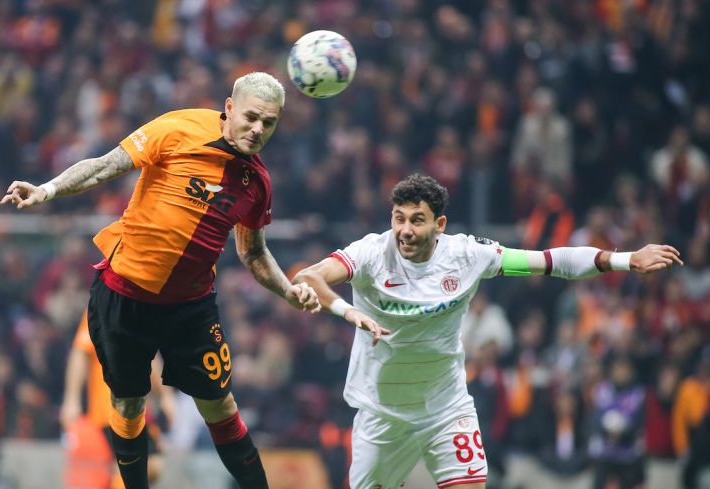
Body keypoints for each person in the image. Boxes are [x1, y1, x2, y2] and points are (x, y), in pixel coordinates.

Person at [1, 71, 321, 489]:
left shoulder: (256, 183)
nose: (258, 129)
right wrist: (46, 190)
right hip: (123, 295)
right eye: (251, 117)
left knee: (220, 404)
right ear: (229, 108)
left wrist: (288, 290)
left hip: (190, 308)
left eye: (270, 123)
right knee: (129, 403)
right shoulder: (177, 128)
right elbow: (103, 167)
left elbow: (253, 251)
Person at [293, 174, 683, 489]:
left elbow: (553, 260)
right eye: (398, 218)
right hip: (382, 413)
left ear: (439, 224)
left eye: (417, 219)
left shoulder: (468, 255)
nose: (405, 230)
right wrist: (348, 312)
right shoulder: (370, 255)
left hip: (446, 408)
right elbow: (311, 275)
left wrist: (627, 258)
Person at [60, 311, 174, 489]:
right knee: (134, 465)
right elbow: (80, 352)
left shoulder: (140, 310)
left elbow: (150, 356)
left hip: (138, 408)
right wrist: (71, 399)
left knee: (149, 466)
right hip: (109, 406)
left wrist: (166, 396)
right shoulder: (101, 306)